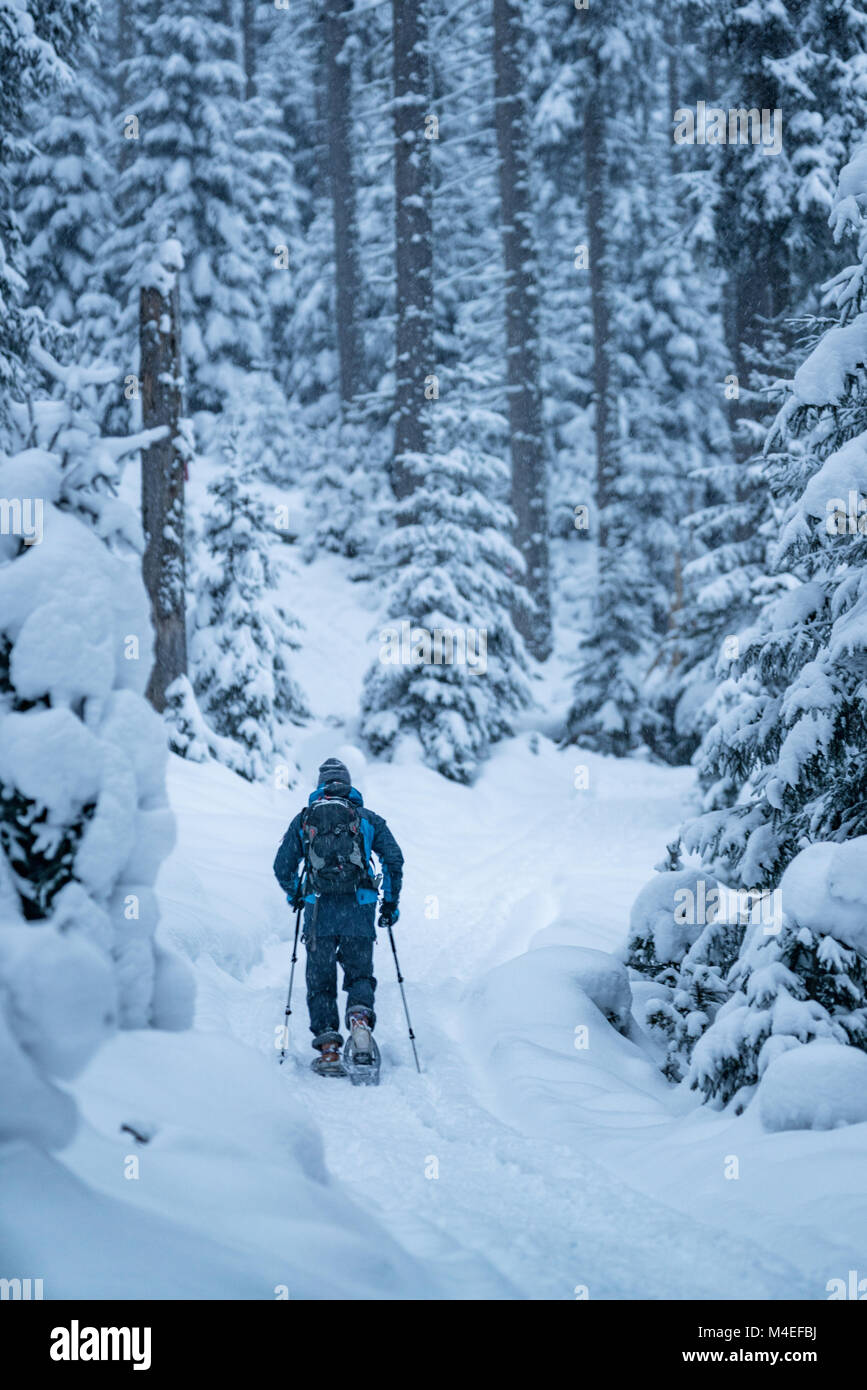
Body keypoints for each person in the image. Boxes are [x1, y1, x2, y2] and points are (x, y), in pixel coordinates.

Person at [273, 758, 404, 1075]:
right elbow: (394, 860)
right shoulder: (366, 818)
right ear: (348, 784)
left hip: (318, 909)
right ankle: (360, 1024)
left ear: (320, 785)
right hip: (359, 909)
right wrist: (390, 903)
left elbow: (282, 866)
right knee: (359, 974)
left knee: (320, 981)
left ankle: (329, 1049)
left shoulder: (304, 820)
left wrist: (296, 894)